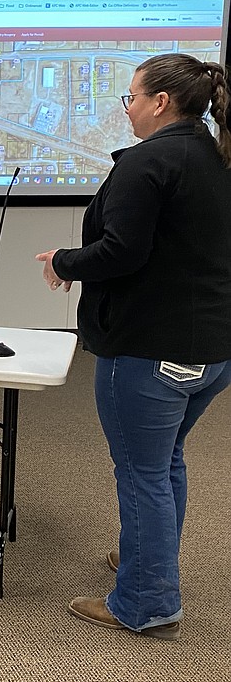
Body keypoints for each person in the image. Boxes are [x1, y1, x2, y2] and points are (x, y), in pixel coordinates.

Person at [35, 54, 231, 641]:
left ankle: (145, 602)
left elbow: (122, 251)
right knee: (164, 461)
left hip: (149, 352)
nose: (129, 108)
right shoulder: (217, 157)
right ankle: (149, 561)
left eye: (131, 97)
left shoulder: (149, 163)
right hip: (213, 352)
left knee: (143, 471)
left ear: (160, 102)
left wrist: (62, 262)